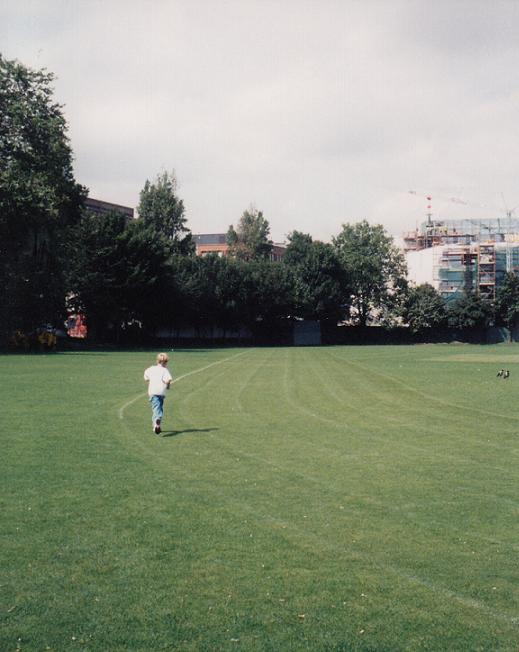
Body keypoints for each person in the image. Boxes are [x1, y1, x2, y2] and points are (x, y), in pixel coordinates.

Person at [144, 352, 173, 434]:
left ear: (157, 361)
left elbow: (146, 376)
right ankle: (157, 422)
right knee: (158, 409)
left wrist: (149, 380)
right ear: (165, 362)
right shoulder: (165, 370)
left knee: (156, 408)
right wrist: (167, 386)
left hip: (152, 391)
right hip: (161, 392)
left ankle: (156, 425)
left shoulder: (151, 368)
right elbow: (168, 380)